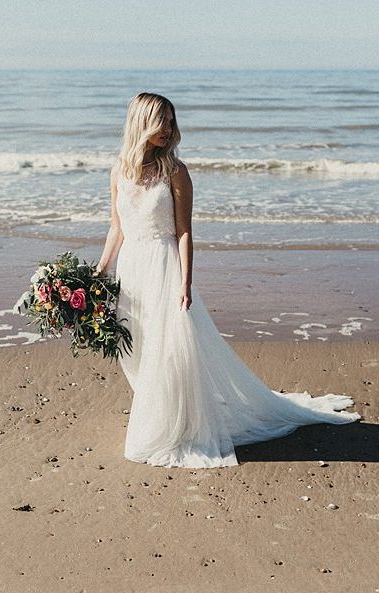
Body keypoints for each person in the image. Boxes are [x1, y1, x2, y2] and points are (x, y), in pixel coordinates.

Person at [95, 92, 360, 468]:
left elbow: (184, 232)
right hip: (131, 268)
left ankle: (170, 427)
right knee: (138, 347)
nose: (170, 130)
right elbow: (116, 228)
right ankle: (161, 410)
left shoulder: (176, 171)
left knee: (169, 351)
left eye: (172, 122)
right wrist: (101, 271)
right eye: (163, 122)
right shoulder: (118, 171)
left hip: (165, 267)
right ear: (143, 122)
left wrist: (184, 283)